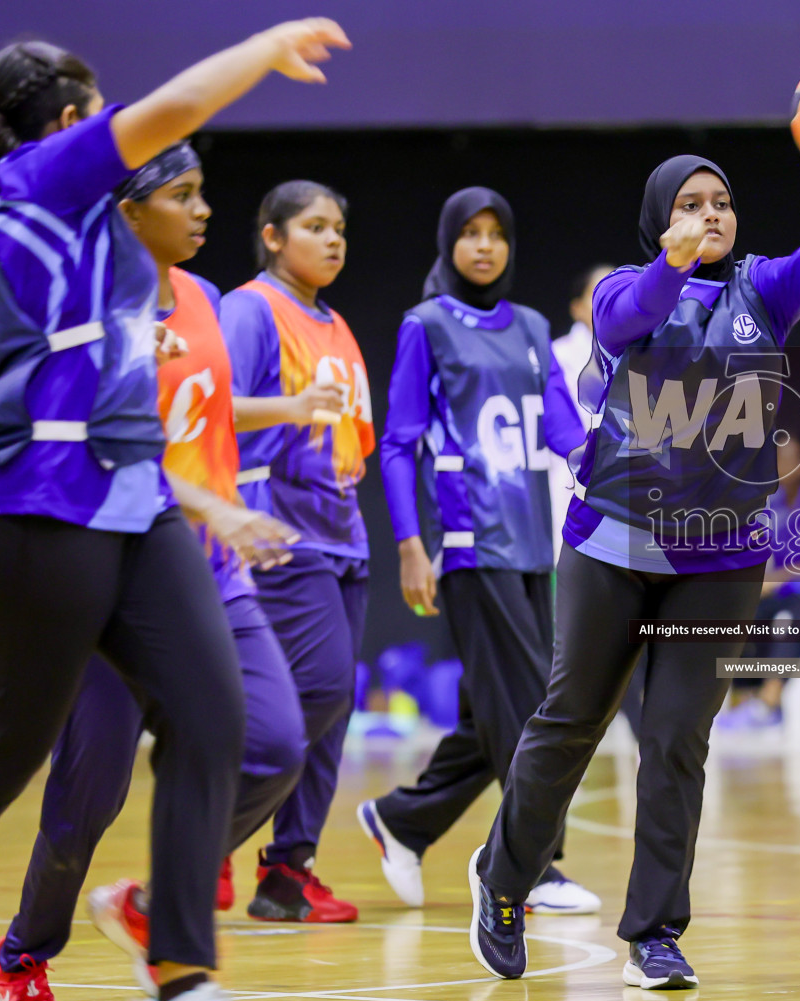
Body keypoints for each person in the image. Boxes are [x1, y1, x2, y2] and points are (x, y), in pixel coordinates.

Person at [466, 157, 800, 989]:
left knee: (676, 740)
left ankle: (656, 935)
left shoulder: (764, 292)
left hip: (725, 554)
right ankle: (504, 880)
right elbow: (637, 311)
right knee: (570, 724)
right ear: (658, 220)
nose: (711, 215)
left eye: (723, 203)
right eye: (690, 205)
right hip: (614, 546)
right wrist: (671, 261)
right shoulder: (622, 294)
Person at [0, 20, 347, 1001]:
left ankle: (183, 980)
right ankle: (35, 951)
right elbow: (176, 110)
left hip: (138, 504)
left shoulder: (111, 247)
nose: (118, 125)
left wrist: (206, 502)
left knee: (221, 717)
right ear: (70, 123)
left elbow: (135, 412)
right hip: (47, 508)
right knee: (16, 754)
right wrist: (268, 44)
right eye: (101, 112)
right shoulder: (37, 184)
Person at [356, 187, 598, 914]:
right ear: (448, 243)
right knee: (534, 710)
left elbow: (562, 426)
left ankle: (401, 819)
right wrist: (408, 545)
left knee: (499, 712)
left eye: (497, 232)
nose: (485, 245)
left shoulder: (529, 327)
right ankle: (533, 866)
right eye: (470, 233)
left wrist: (613, 464)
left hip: (534, 543)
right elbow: (398, 444)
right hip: (468, 544)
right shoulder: (424, 326)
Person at [221, 179, 374, 923]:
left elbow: (351, 439)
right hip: (277, 527)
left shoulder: (337, 324)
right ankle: (211, 829)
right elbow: (206, 407)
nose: (334, 239)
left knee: (335, 703)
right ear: (274, 235)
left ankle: (289, 871)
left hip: (342, 533)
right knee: (316, 688)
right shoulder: (250, 308)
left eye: (339, 227)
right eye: (315, 226)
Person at [715, 430, 800, 730]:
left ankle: (773, 700)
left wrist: (776, 579)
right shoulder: (770, 502)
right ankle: (746, 699)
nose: (784, 464)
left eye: (791, 457)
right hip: (780, 592)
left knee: (798, 617)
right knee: (734, 611)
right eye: (778, 458)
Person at [548, 263, 612, 555]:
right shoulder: (557, 356)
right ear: (576, 308)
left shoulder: (644, 356)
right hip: (568, 484)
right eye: (599, 293)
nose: (611, 301)